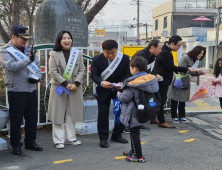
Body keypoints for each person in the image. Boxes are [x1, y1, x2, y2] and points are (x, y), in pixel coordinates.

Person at [0, 25, 42, 155]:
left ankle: (30, 142)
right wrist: (27, 60)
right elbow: (12, 67)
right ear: (14, 37)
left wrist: (38, 78)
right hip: (16, 90)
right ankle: (16, 145)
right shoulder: (5, 51)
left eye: (27, 38)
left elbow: (38, 66)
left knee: (31, 118)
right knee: (16, 119)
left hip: (31, 89)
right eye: (22, 38)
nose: (25, 41)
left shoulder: (28, 49)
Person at [48, 30, 85, 149]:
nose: (67, 40)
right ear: (59, 40)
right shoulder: (53, 53)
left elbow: (82, 70)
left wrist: (77, 83)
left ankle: (71, 138)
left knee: (71, 113)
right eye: (64, 38)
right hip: (59, 86)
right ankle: (58, 139)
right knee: (58, 113)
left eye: (69, 38)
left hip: (74, 87)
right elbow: (53, 71)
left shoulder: (77, 53)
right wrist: (65, 83)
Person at [117, 56, 159, 163]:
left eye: (130, 68)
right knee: (134, 133)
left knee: (134, 134)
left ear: (134, 69)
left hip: (133, 112)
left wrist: (118, 92)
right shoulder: (150, 79)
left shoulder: (133, 83)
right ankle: (133, 151)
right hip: (144, 110)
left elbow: (125, 98)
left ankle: (138, 156)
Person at [91, 39, 131, 148]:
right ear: (103, 51)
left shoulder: (125, 58)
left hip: (119, 89)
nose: (110, 55)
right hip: (103, 90)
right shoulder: (96, 59)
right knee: (103, 115)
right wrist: (102, 82)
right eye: (107, 53)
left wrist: (122, 82)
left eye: (112, 53)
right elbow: (94, 75)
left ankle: (117, 135)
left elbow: (128, 73)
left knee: (121, 113)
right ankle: (103, 139)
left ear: (117, 50)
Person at [152, 35, 196, 128]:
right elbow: (171, 67)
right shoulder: (165, 52)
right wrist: (187, 68)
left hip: (162, 79)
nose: (179, 47)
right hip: (161, 80)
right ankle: (162, 121)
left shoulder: (167, 50)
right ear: (172, 44)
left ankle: (153, 118)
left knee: (158, 100)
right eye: (178, 45)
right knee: (161, 100)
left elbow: (171, 67)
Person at [167, 46, 206, 124]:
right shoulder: (185, 58)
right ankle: (174, 117)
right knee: (175, 99)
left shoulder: (197, 61)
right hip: (179, 80)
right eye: (200, 53)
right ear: (196, 52)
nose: (201, 55)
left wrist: (199, 73)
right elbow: (180, 70)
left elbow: (192, 73)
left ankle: (182, 116)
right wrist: (194, 71)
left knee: (183, 99)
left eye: (202, 54)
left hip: (186, 81)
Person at [131, 39, 162, 126]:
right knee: (135, 104)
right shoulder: (141, 55)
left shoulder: (153, 56)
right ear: (152, 47)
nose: (160, 51)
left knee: (142, 103)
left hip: (143, 83)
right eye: (159, 48)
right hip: (136, 82)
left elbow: (148, 70)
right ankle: (132, 124)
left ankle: (140, 123)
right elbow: (141, 71)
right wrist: (154, 76)